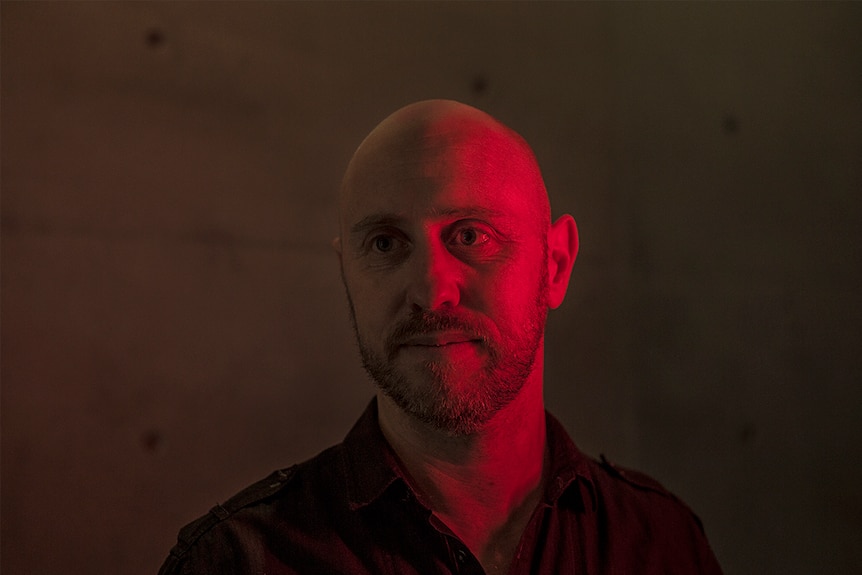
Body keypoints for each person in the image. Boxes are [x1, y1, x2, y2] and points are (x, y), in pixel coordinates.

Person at [159, 100, 723, 575]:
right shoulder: (238, 563)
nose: (431, 293)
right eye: (385, 243)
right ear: (345, 271)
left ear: (555, 265)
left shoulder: (660, 544)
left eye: (471, 235)